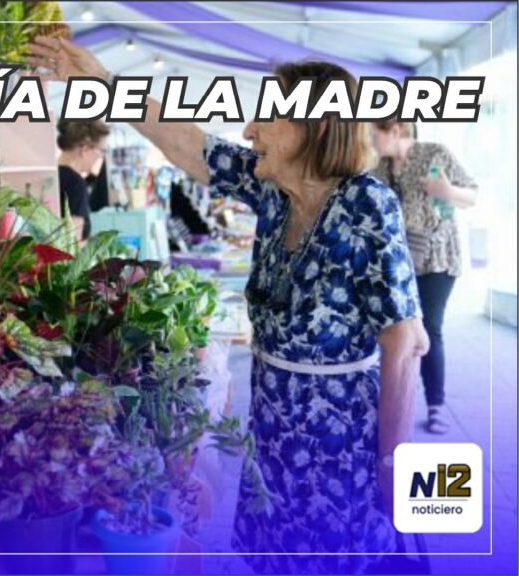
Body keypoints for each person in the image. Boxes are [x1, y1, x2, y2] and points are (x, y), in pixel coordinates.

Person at [29, 38, 430, 573]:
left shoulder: (366, 204)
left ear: (314, 127)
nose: (248, 131)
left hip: (339, 444)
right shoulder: (274, 194)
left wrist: (392, 460)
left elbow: (404, 342)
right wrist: (102, 81)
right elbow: (185, 142)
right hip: (274, 432)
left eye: (266, 117)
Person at [371, 121, 477, 435]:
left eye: (374, 133)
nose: (370, 140)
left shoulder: (435, 154)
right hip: (396, 265)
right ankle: (391, 402)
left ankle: (435, 405)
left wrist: (447, 192)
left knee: (429, 327)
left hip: (436, 260)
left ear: (395, 130)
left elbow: (472, 195)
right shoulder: (378, 167)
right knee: (392, 330)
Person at [57, 120, 109, 239]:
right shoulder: (75, 184)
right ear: (85, 149)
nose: (101, 157)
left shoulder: (51, 176)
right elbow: (73, 243)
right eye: (102, 151)